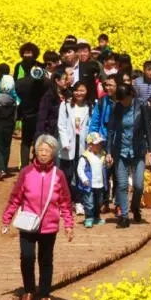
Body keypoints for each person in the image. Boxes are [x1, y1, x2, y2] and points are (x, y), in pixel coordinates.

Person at [1, 135, 74, 300]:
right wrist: (7, 218)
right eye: (40, 150)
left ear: (53, 154)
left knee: (45, 259)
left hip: (49, 226)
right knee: (27, 257)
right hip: (28, 224)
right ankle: (28, 290)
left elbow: (65, 201)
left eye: (47, 151)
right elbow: (16, 197)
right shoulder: (26, 172)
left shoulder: (59, 175)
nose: (43, 154)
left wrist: (69, 224)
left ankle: (44, 294)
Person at [106, 84, 151, 228]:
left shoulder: (141, 106)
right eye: (120, 100)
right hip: (121, 151)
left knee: (138, 185)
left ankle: (135, 206)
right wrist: (109, 151)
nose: (122, 102)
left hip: (138, 150)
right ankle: (124, 216)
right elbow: (110, 130)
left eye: (124, 99)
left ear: (131, 95)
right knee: (122, 185)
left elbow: (147, 128)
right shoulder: (116, 108)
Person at [57, 82, 92, 215]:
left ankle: (78, 201)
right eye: (77, 90)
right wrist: (65, 142)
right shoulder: (65, 105)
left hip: (82, 143)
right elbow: (61, 125)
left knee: (79, 173)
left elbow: (89, 124)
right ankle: (64, 203)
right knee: (67, 174)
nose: (79, 93)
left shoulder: (89, 106)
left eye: (82, 90)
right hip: (68, 144)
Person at [77, 132, 109, 228]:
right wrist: (84, 179)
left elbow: (106, 167)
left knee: (98, 202)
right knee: (89, 202)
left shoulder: (103, 154)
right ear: (90, 145)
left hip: (99, 184)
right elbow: (80, 169)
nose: (99, 145)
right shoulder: (85, 157)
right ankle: (89, 218)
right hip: (89, 184)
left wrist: (109, 163)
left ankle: (96, 217)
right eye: (96, 144)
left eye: (100, 143)